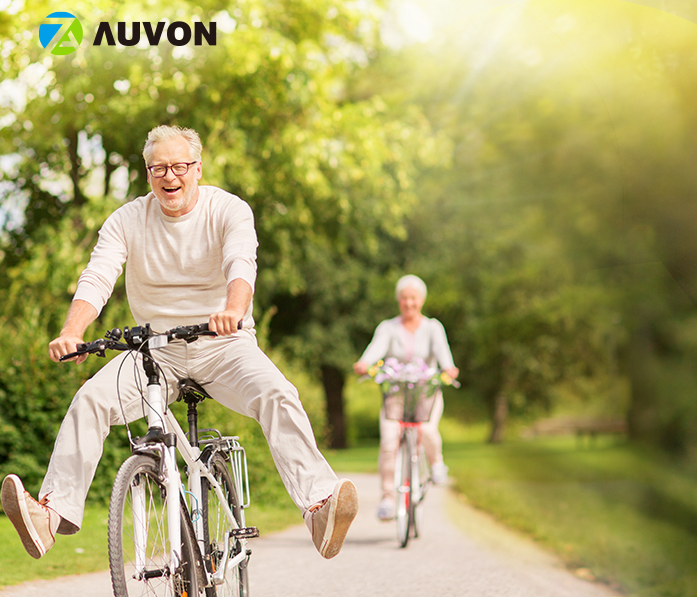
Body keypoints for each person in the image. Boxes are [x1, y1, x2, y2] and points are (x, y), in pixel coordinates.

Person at [1, 125, 358, 560]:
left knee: (278, 393)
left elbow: (241, 263)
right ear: (147, 173)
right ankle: (50, 516)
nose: (170, 176)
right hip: (155, 351)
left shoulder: (228, 209)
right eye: (159, 168)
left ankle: (319, 507)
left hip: (224, 344)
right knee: (90, 400)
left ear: (197, 168)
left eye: (179, 166)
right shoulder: (127, 219)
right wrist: (71, 331)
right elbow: (98, 276)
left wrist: (233, 309)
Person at [352, 275, 458, 521]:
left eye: (413, 298)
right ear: (399, 301)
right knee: (389, 442)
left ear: (421, 301)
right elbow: (375, 349)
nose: (409, 303)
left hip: (426, 393)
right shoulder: (388, 328)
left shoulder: (433, 327)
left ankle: (437, 464)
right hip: (396, 394)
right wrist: (364, 363)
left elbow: (445, 358)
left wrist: (449, 369)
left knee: (428, 430)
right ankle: (388, 499)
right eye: (404, 299)